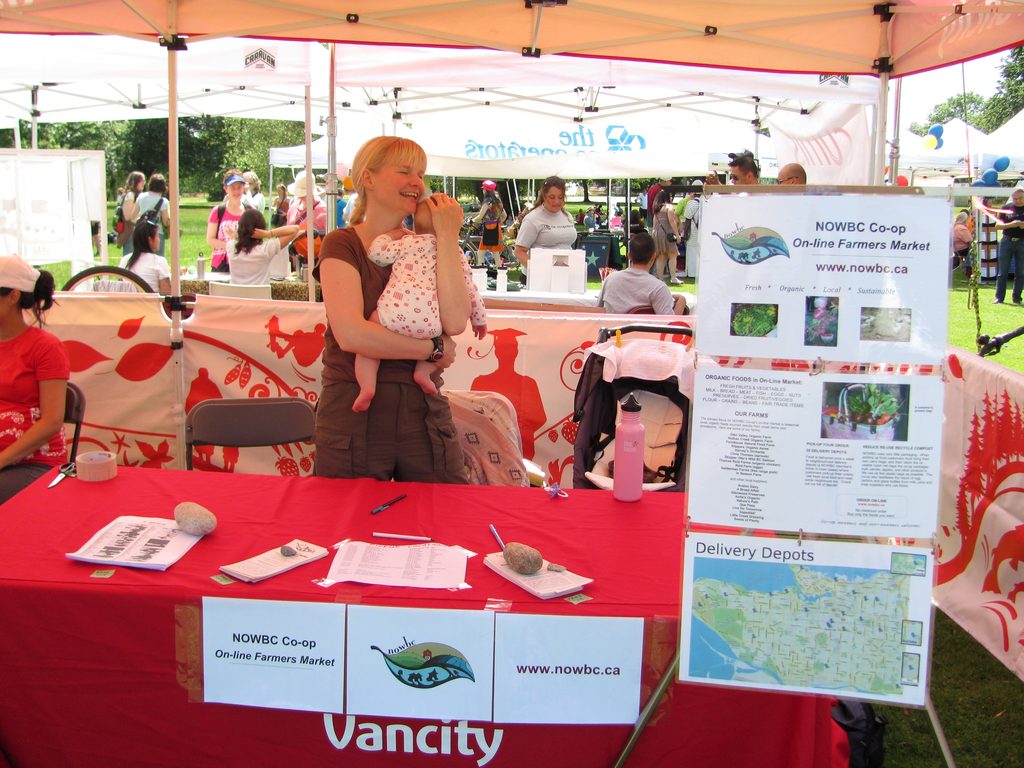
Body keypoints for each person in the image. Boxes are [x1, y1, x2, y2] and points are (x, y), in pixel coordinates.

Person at [313, 136, 471, 483]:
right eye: (404, 171)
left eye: (421, 173)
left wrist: (446, 236)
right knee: (345, 523)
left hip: (423, 410)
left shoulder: (426, 246)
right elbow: (353, 334)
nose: (418, 182)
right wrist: (432, 349)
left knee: (445, 517)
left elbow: (456, 320)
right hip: (354, 411)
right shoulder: (342, 243)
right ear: (367, 178)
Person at [353, 197, 488, 412]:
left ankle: (367, 386)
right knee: (443, 335)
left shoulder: (409, 243)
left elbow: (376, 254)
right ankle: (423, 373)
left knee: (370, 335)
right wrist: (479, 319)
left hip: (393, 314)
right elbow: (470, 290)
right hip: (429, 324)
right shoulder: (456, 256)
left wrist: (391, 235)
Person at [0, 255, 70, 504]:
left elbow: (52, 421)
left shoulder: (45, 347)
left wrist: (2, 460)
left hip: (36, 463)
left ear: (13, 296)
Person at [598, 232, 687, 315]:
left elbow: (598, 310)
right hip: (644, 331)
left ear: (629, 256)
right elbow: (670, 325)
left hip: (612, 329)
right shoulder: (658, 288)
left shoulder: (610, 279)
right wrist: (681, 301)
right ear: (653, 257)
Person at [513, 176, 577, 268]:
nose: (556, 201)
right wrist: (537, 270)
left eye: (560, 197)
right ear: (544, 196)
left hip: (563, 274)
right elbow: (519, 251)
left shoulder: (567, 216)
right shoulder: (532, 219)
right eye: (552, 197)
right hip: (538, 276)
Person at [226, 209, 299, 286]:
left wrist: (240, 234)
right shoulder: (266, 249)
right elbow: (295, 229)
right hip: (261, 297)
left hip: (236, 297)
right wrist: (268, 233)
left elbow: (238, 240)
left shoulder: (231, 247)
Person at [206, 169, 250, 273]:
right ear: (226, 188)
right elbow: (210, 239)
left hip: (244, 261)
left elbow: (255, 238)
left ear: (243, 188)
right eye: (232, 188)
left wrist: (238, 239)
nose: (236, 191)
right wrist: (230, 245)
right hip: (222, 263)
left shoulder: (250, 211)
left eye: (239, 187)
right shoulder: (218, 211)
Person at [119, 220, 170, 293]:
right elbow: (166, 294)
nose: (159, 240)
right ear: (150, 240)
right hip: (150, 303)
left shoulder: (125, 260)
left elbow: (120, 287)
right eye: (157, 236)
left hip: (127, 303)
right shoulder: (159, 261)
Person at [994, 187, 1024, 304]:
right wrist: (1011, 224)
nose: (1018, 201)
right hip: (1006, 241)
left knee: (1021, 272)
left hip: (1022, 242)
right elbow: (997, 226)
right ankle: (999, 298)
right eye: (1015, 199)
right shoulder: (1006, 208)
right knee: (1002, 272)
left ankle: (1017, 298)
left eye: (1020, 198)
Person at [472, 180, 507, 266]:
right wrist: (498, 221)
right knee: (496, 253)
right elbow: (505, 215)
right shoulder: (498, 201)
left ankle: (480, 273)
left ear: (486, 190)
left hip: (488, 228)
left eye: (483, 189)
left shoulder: (487, 201)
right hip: (496, 228)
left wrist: (471, 221)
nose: (483, 191)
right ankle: (500, 274)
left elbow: (480, 216)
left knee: (480, 253)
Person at [135, 173, 171, 257]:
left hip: (142, 233)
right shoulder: (163, 201)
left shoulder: (141, 196)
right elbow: (166, 222)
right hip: (157, 233)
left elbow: (133, 215)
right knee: (157, 260)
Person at [651, 189, 682, 284]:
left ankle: (660, 279)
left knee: (661, 256)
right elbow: (672, 221)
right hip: (667, 233)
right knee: (673, 254)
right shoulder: (669, 207)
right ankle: (673, 277)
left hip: (657, 233)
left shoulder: (656, 209)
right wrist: (677, 235)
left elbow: (654, 224)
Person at [118, 171, 145, 257]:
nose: (143, 183)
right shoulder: (130, 195)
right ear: (136, 182)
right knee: (129, 256)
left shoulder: (137, 195)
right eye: (142, 181)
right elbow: (127, 216)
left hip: (136, 230)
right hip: (130, 230)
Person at [682, 180, 704, 279]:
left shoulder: (691, 203)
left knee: (691, 250)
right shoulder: (706, 201)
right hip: (703, 230)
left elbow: (687, 219)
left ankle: (692, 272)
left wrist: (685, 233)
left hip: (693, 230)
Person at [952, 210, 973, 276]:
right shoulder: (962, 228)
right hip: (962, 249)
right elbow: (970, 241)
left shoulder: (955, 226)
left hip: (956, 249)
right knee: (974, 249)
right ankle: (969, 269)